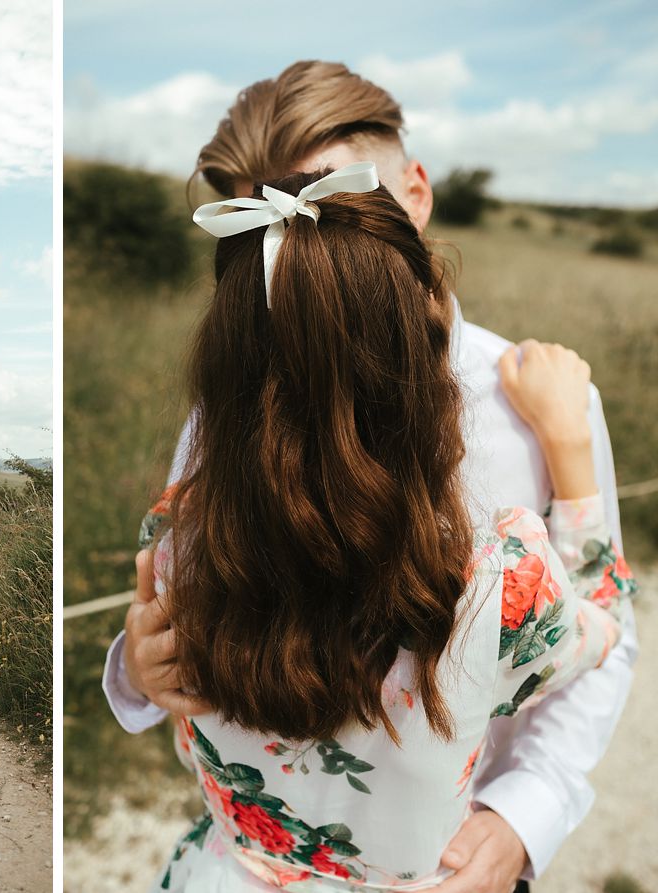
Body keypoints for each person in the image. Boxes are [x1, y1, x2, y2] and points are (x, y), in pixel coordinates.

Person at [103, 61, 639, 891]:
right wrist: (136, 668)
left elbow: (606, 666)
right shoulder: (218, 426)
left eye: (330, 202)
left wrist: (524, 813)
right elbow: (600, 618)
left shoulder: (541, 401)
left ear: (413, 194)